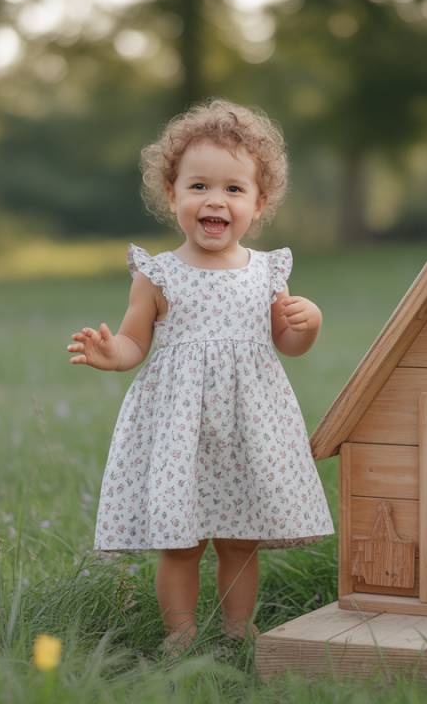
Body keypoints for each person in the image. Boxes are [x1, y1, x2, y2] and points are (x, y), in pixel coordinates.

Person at [67, 99, 334, 655]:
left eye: (234, 190)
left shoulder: (267, 272)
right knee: (181, 544)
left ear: (259, 204)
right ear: (173, 195)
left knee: (241, 539)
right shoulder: (158, 274)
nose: (216, 199)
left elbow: (287, 343)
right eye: (199, 186)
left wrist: (307, 325)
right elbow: (135, 341)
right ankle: (180, 632)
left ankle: (239, 630)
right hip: (179, 430)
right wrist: (108, 352)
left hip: (246, 428)